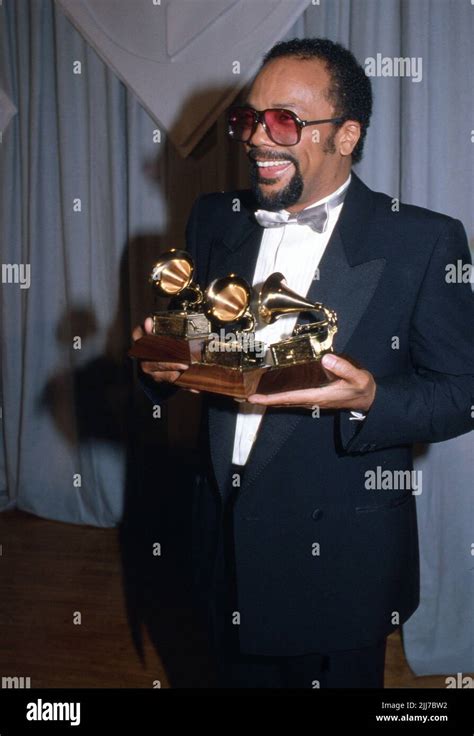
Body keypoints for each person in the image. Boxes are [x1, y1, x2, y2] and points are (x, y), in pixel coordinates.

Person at [132, 38, 474, 688]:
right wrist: (158, 368)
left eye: (285, 120)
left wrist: (373, 399)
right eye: (249, 119)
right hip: (222, 548)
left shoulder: (423, 241)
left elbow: (464, 391)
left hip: (339, 565)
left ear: (347, 135)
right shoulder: (215, 218)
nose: (259, 138)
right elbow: (197, 342)